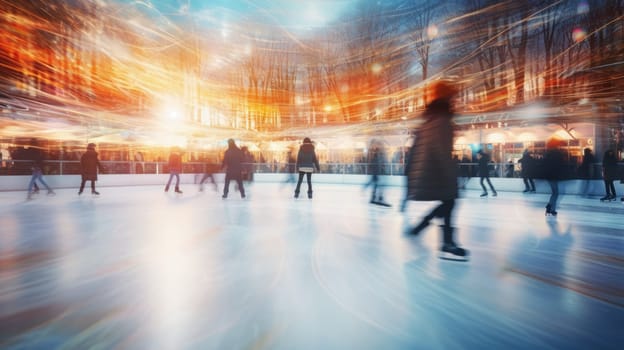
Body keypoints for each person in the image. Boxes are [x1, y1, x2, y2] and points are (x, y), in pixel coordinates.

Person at [404, 80, 468, 261]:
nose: (455, 100)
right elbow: (442, 152)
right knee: (450, 202)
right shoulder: (442, 120)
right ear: (447, 96)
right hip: (436, 172)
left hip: (427, 172)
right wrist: (451, 176)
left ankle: (424, 228)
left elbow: (416, 149)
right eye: (453, 97)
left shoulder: (430, 118)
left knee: (448, 203)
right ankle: (445, 241)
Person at [542, 139, 567, 216]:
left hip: (549, 175)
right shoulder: (557, 153)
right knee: (555, 193)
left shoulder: (547, 153)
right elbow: (561, 163)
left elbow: (544, 163)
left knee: (554, 193)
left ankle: (551, 208)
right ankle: (550, 207)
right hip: (554, 175)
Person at [366, 140, 390, 206]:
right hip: (377, 173)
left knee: (378, 186)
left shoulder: (378, 153)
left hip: (379, 173)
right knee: (378, 185)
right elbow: (374, 164)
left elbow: (380, 163)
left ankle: (376, 198)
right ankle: (377, 198)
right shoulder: (375, 153)